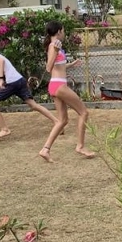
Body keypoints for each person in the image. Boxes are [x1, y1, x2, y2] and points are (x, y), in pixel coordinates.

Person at [0, 39, 58, 138]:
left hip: (13, 83)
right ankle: (57, 122)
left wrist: (2, 79)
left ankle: (5, 129)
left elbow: (1, 62)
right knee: (34, 105)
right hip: (19, 80)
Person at [39, 21, 95, 162]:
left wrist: (71, 64)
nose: (64, 33)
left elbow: (59, 66)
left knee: (63, 120)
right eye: (63, 30)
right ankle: (80, 146)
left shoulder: (55, 45)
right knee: (84, 112)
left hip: (55, 86)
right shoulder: (54, 46)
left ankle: (45, 149)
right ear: (58, 31)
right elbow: (48, 68)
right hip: (59, 86)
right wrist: (56, 51)